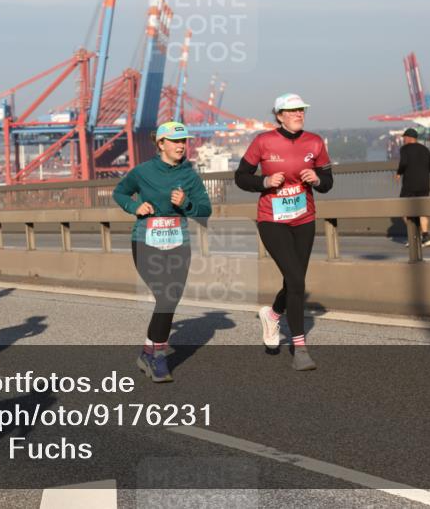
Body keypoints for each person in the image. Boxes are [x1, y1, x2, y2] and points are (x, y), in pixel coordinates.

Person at [235, 93, 333, 371]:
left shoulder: (315, 141)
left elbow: (328, 182)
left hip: (304, 218)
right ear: (279, 115)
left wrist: (317, 179)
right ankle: (300, 348)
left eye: (301, 110)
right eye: (292, 111)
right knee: (295, 280)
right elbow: (241, 177)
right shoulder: (263, 141)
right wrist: (264, 181)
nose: (299, 114)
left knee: (296, 280)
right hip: (272, 219)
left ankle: (273, 314)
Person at [113, 121, 212, 382]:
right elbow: (120, 192)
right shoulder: (142, 171)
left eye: (184, 141)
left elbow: (205, 209)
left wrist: (187, 203)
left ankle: (148, 351)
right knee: (166, 298)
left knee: (170, 298)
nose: (181, 145)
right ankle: (157, 358)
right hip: (146, 242)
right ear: (161, 144)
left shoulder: (190, 175)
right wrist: (134, 207)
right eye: (176, 141)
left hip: (179, 242)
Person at [394, 127, 430, 247]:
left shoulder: (405, 149)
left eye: (404, 138)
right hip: (424, 184)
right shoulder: (424, 149)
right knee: (422, 211)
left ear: (408, 138)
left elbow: (403, 163)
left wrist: (398, 173)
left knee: (404, 210)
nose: (404, 140)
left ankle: (413, 237)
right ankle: (426, 237)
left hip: (410, 185)